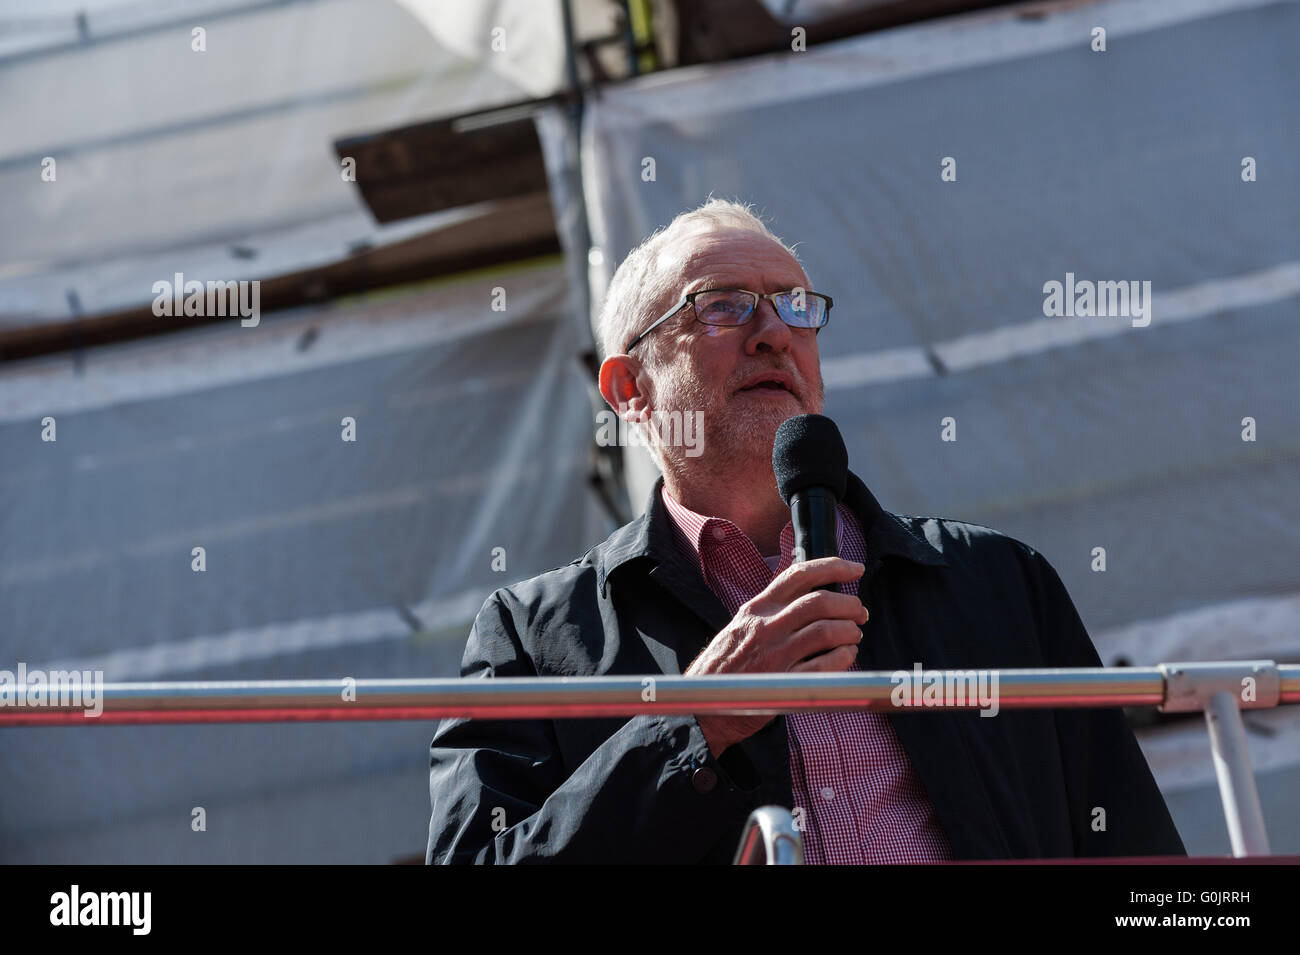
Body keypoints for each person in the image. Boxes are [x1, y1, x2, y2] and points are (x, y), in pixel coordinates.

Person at [425, 198, 1186, 864]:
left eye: (795, 305)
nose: (773, 334)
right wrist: (693, 721)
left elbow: (1133, 848)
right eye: (722, 304)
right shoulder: (531, 639)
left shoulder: (999, 582)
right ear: (631, 389)